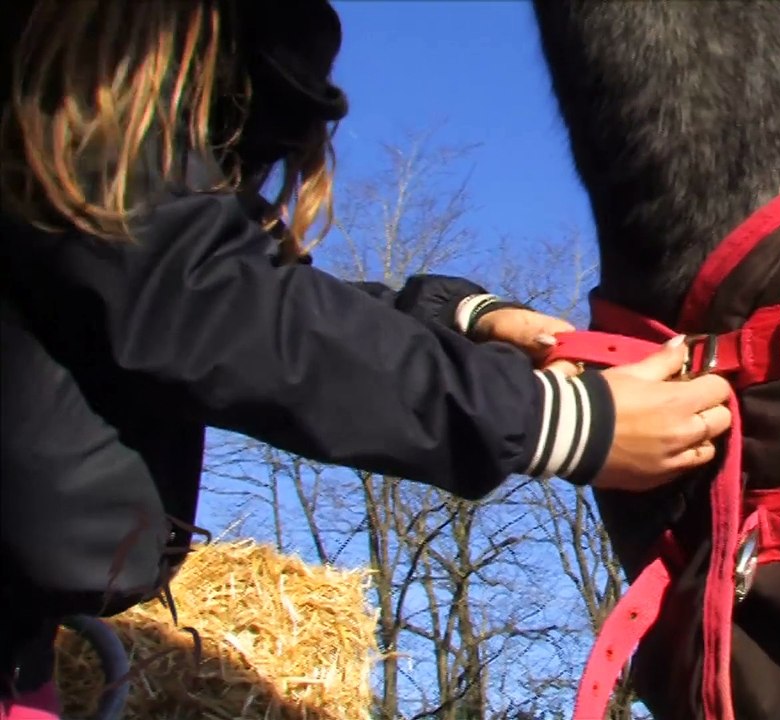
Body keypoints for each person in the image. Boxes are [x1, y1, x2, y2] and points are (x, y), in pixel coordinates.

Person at [0, 0, 733, 713]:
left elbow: (235, 292)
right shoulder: (63, 102)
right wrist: (556, 422)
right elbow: (208, 302)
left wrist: (463, 316)